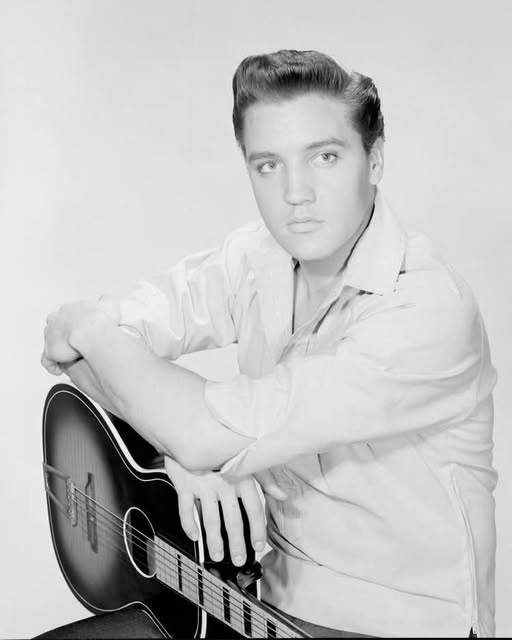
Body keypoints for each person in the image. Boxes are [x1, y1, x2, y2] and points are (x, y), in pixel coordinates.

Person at [41, 49, 497, 638]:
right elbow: (93, 349)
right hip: (258, 599)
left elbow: (130, 373)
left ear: (375, 158)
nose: (296, 193)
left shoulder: (427, 310)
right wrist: (179, 458)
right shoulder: (256, 258)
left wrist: (90, 333)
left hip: (397, 624)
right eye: (268, 166)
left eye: (325, 157)